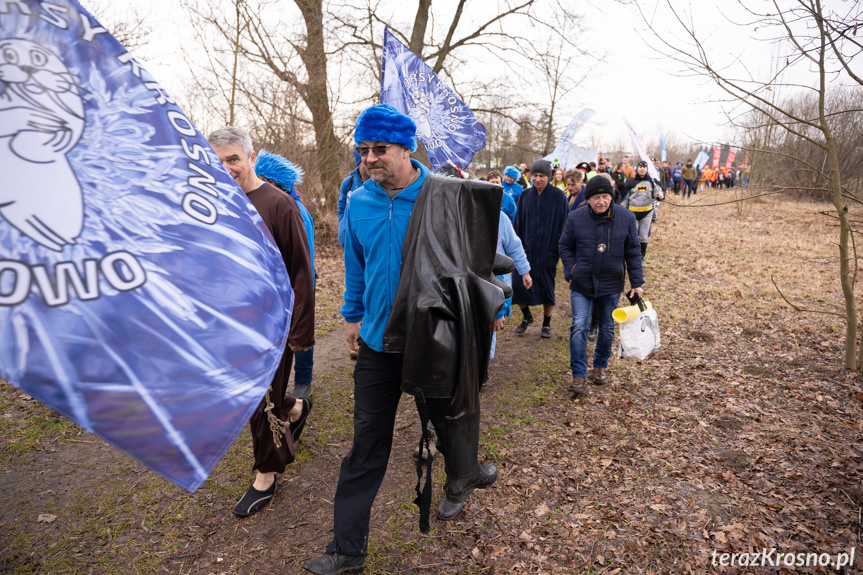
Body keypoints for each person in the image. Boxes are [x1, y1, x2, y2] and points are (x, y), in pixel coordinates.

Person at [303, 105, 505, 575]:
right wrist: (352, 316)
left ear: (407, 148)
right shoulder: (358, 201)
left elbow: (478, 264)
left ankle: (465, 472)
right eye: (364, 150)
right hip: (377, 342)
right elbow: (357, 266)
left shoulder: (447, 197)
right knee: (365, 446)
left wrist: (487, 311)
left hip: (435, 339)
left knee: (451, 417)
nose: (370, 158)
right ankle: (347, 550)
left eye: (380, 149)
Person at [207, 127, 315, 517]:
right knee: (251, 394)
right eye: (217, 161)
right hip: (229, 323)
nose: (226, 167)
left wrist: (301, 332)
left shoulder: (278, 204)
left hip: (272, 325)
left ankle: (266, 473)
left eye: (232, 158)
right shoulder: (213, 204)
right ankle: (296, 408)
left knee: (258, 400)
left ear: (252, 159)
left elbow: (302, 272)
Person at [558, 176, 644, 396]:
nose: (601, 201)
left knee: (606, 327)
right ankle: (578, 374)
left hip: (610, 283)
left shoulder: (625, 218)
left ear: (611, 198)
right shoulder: (575, 217)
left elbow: (633, 252)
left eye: (605, 197)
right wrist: (572, 270)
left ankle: (600, 367)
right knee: (579, 326)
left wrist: (637, 283)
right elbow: (564, 246)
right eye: (596, 197)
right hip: (582, 282)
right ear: (588, 199)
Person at [254, 150, 316, 399]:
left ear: (277, 184)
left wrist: (302, 289)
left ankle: (303, 382)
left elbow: (304, 259)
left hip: (296, 284)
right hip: (269, 288)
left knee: (300, 331)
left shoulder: (295, 210)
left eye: (264, 182)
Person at [512, 159, 568, 338]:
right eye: (534, 175)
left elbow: (564, 224)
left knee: (546, 288)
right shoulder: (524, 196)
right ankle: (527, 316)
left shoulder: (558, 197)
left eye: (541, 176)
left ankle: (546, 323)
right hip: (526, 250)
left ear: (549, 177)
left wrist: (557, 249)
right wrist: (515, 247)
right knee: (518, 285)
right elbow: (518, 223)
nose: (537, 179)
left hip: (547, 250)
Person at [622, 160, 664, 259]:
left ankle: (641, 258)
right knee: (633, 236)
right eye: (640, 166)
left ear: (647, 169)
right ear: (637, 168)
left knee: (643, 237)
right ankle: (632, 256)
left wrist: (660, 196)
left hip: (647, 213)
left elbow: (657, 193)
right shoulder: (631, 182)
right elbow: (625, 199)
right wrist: (620, 211)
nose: (642, 168)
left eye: (644, 167)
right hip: (633, 213)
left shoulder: (652, 182)